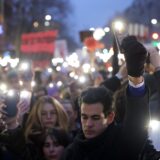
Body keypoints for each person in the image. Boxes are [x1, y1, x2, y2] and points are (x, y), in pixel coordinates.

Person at [61, 36, 150, 160]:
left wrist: (135, 75)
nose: (88, 124)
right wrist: (118, 77)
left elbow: (137, 115)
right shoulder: (71, 153)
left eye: (95, 118)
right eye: (84, 117)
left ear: (110, 117)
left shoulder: (123, 142)